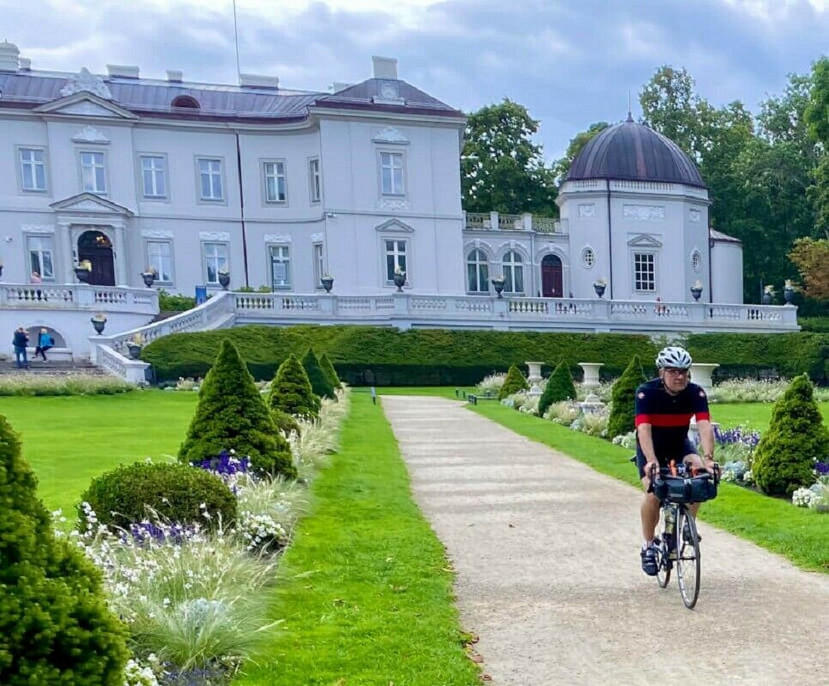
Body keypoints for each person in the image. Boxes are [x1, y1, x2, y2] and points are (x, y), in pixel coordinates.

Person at [634, 345, 715, 576]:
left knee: (699, 475)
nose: (680, 376)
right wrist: (651, 461)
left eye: (684, 371)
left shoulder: (696, 393)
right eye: (673, 371)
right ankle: (648, 545)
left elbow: (704, 425)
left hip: (679, 443)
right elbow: (643, 429)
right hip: (652, 446)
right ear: (662, 373)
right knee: (652, 492)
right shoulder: (646, 392)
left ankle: (688, 523)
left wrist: (708, 459)